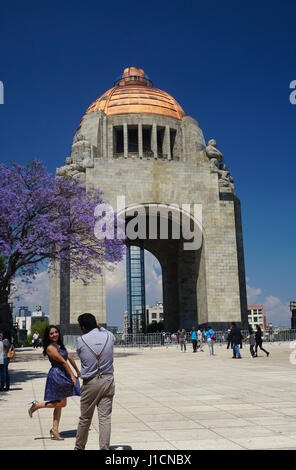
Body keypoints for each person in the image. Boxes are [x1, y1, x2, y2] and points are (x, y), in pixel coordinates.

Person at [28, 325, 81, 440]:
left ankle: (55, 430)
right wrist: (72, 375)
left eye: (56, 332)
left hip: (63, 373)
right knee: (62, 403)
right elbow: (63, 361)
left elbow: (69, 357)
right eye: (51, 333)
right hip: (57, 375)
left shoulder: (59, 345)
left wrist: (77, 370)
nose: (54, 334)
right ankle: (37, 406)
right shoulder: (50, 347)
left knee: (59, 404)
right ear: (48, 336)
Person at [74, 313, 115, 451]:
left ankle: (79, 448)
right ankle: (104, 448)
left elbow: (81, 355)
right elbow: (105, 331)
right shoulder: (109, 336)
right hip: (108, 380)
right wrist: (98, 326)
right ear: (96, 323)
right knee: (105, 418)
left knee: (85, 419)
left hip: (90, 382)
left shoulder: (81, 340)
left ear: (83, 327)